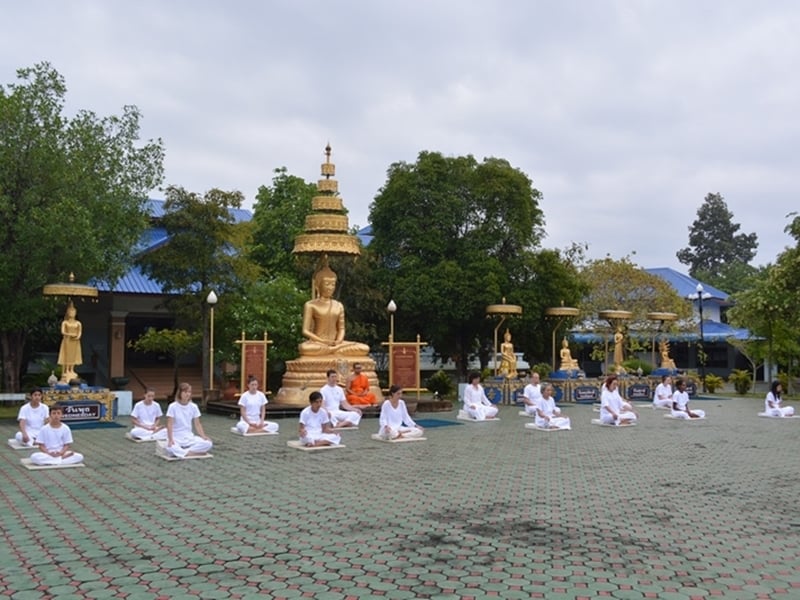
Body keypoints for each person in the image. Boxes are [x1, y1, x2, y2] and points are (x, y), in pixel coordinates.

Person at [298, 264, 370, 356]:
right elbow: (305, 331)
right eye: (327, 284)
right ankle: (334, 351)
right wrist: (322, 341)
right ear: (318, 285)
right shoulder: (310, 305)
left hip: (336, 343)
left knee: (364, 348)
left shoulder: (338, 305)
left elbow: (341, 328)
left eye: (333, 284)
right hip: (318, 343)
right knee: (304, 348)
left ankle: (333, 350)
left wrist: (338, 341)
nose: (330, 288)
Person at [163, 383, 213, 458]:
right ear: (180, 393)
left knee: (208, 443)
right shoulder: (173, 406)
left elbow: (197, 424)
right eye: (185, 392)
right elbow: (169, 424)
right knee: (170, 448)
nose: (187, 394)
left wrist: (203, 436)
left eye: (189, 392)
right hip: (176, 437)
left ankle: (185, 452)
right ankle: (192, 453)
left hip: (189, 437)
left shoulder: (193, 406)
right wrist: (170, 439)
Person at [57, 301, 83, 382]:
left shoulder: (78, 323)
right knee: (67, 355)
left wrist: (77, 336)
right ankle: (67, 370)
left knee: (74, 355)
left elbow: (80, 332)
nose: (72, 313)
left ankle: (71, 369)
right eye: (71, 312)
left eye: (74, 312)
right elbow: (62, 332)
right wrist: (69, 334)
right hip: (67, 340)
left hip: (75, 341)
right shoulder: (65, 322)